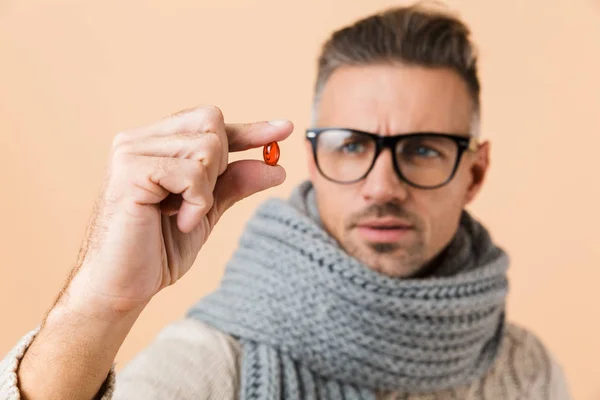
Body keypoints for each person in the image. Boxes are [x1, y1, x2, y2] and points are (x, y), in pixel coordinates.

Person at [0, 3, 571, 400]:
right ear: (315, 160)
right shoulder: (214, 365)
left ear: (475, 172)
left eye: (422, 149)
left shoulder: (526, 368)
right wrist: (102, 301)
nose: (381, 186)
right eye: (351, 146)